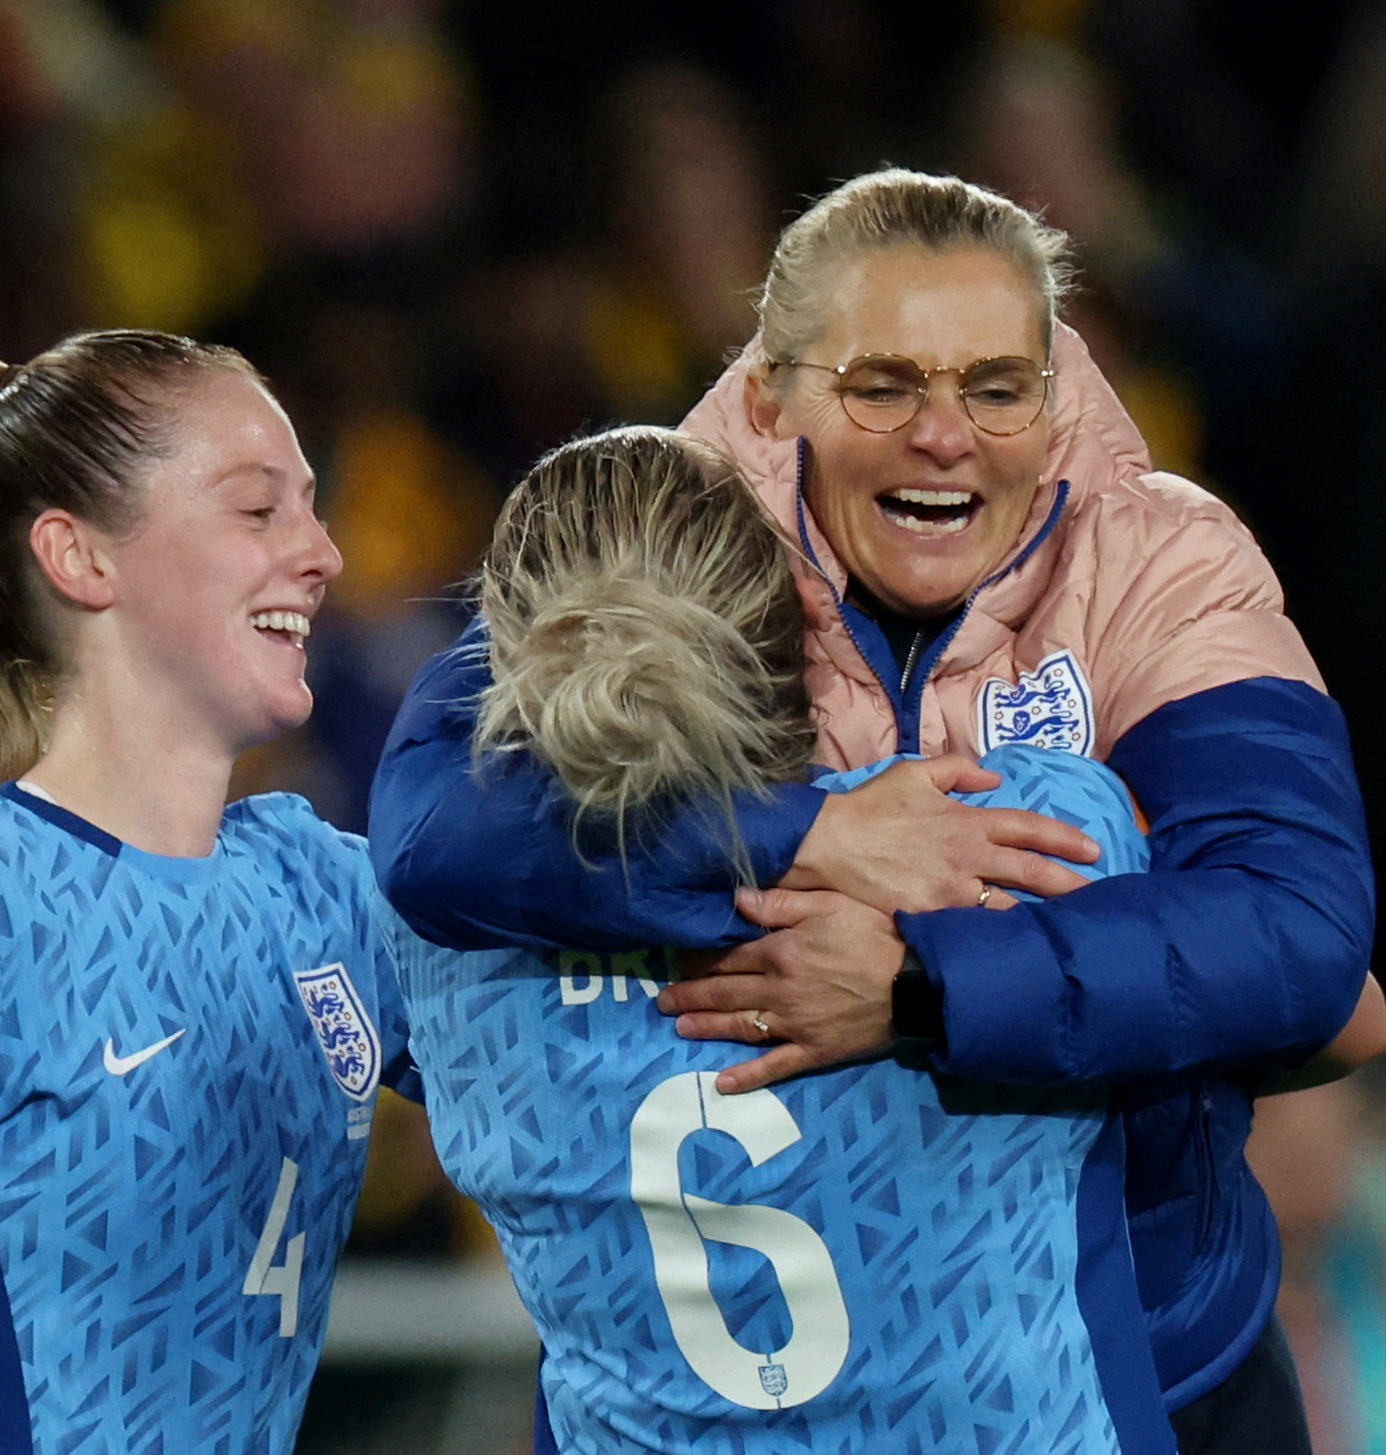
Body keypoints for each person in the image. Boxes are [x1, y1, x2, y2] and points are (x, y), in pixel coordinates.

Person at [372, 170, 1380, 1452]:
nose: (943, 436)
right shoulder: (655, 541)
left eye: (996, 388)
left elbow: (1294, 932)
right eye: (883, 385)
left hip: (1140, 1369)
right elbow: (433, 826)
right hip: (724, 1401)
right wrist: (809, 834)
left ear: (1052, 393)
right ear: (767, 393)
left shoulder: (1162, 560)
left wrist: (918, 989)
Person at [397, 424, 1175, 1451]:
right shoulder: (1022, 831)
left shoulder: (447, 946)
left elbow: (446, 825)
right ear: (805, 618)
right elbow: (1276, 1010)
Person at [0, 330, 411, 1452]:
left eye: (311, 509)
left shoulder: (326, 891)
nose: (322, 554)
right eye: (258, 511)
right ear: (81, 560)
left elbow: (582, 1031)